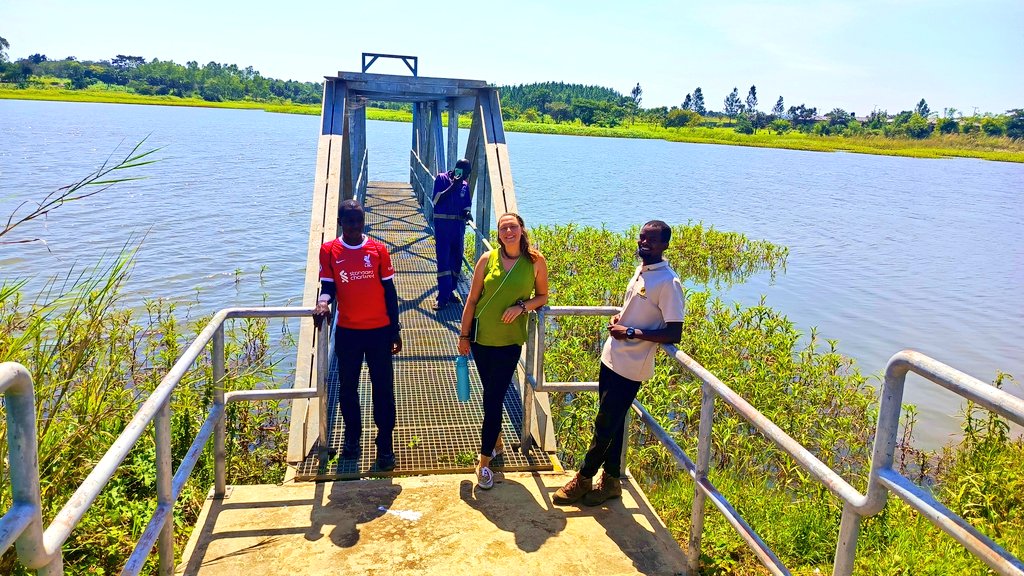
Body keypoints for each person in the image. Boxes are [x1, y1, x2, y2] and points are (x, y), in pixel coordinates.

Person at [553, 220, 685, 506]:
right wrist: (620, 319)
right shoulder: (642, 270)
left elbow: (674, 332)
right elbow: (636, 309)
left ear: (665, 245)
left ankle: (584, 477)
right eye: (641, 238)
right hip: (611, 357)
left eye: (651, 240)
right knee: (612, 423)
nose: (644, 243)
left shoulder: (668, 282)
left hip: (632, 366)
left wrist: (631, 332)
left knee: (604, 425)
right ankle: (612, 481)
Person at [458, 212, 549, 490]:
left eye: (513, 227)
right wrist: (463, 336)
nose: (508, 231)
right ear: (498, 234)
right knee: (491, 394)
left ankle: (483, 462)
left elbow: (543, 296)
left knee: (494, 398)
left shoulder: (535, 261)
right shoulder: (487, 260)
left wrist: (522, 307)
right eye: (503, 228)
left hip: (510, 341)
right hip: (482, 339)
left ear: (522, 229)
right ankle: (496, 442)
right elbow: (472, 300)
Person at [313, 199, 403, 471]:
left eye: (358, 220)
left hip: (378, 332)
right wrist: (323, 303)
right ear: (340, 222)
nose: (354, 225)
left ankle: (385, 443)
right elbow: (328, 286)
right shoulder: (329, 251)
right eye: (349, 220)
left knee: (383, 389)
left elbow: (390, 292)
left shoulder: (378, 249)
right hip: (348, 332)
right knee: (347, 389)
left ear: (364, 221)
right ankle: (352, 439)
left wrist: (394, 329)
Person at [431, 158, 473, 310]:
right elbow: (436, 200)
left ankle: (450, 291)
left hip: (458, 229)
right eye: (464, 172)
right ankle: (442, 298)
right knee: (443, 261)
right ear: (457, 169)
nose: (465, 177)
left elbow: (466, 205)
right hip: (443, 228)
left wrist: (467, 213)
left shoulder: (465, 185)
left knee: (456, 261)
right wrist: (453, 186)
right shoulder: (441, 179)